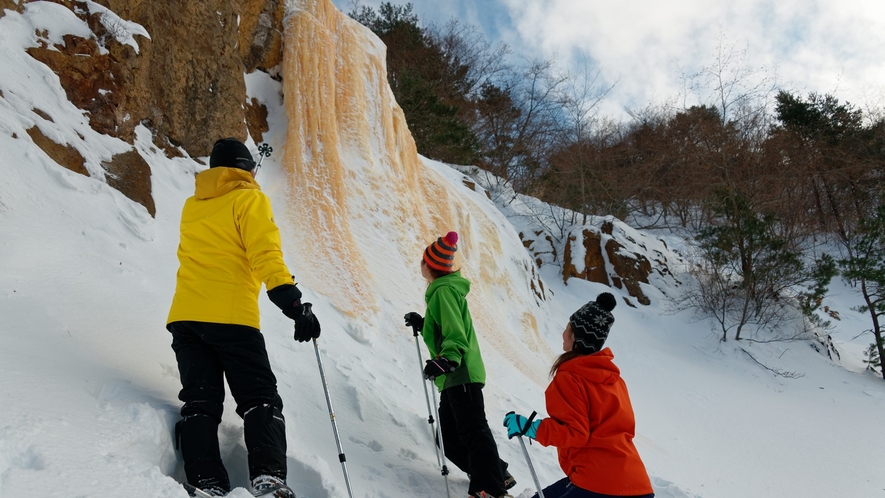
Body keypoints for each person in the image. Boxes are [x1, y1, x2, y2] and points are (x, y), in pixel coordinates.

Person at [167, 137, 321, 498]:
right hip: (232, 318)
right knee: (259, 398)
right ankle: (267, 478)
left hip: (186, 318)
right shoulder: (250, 198)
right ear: (247, 169)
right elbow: (264, 250)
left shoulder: (193, 205)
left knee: (200, 402)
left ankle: (207, 482)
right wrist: (293, 303)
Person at [503, 293, 654, 498]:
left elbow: (575, 433)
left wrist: (529, 427)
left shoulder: (570, 378)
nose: (563, 334)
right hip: (638, 485)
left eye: (568, 330)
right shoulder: (616, 381)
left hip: (598, 484)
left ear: (576, 338)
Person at [404, 231, 515, 498]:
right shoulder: (443, 292)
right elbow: (448, 327)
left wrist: (447, 360)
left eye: (422, 259)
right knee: (450, 439)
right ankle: (497, 474)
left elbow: (456, 332)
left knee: (472, 431)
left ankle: (490, 490)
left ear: (428, 265)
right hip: (454, 376)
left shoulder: (443, 291)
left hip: (459, 372)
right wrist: (424, 324)